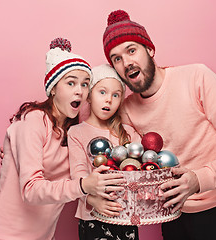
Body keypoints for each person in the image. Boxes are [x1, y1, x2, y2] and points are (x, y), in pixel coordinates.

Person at [102, 10, 216, 240]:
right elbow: (132, 167)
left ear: (150, 50)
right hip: (175, 218)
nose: (126, 62)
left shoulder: (197, 77)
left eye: (132, 50)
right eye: (117, 58)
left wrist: (198, 179)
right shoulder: (126, 109)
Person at [0, 38, 126, 240]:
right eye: (71, 83)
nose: (79, 91)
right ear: (53, 88)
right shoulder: (32, 121)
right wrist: (83, 186)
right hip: (1, 235)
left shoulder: (73, 133)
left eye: (84, 84)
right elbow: (31, 190)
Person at [68, 64, 141, 240]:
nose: (108, 99)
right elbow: (78, 176)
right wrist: (91, 200)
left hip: (125, 217)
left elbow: (141, 170)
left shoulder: (129, 133)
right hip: (94, 216)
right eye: (102, 92)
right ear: (90, 95)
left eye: (115, 95)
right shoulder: (76, 132)